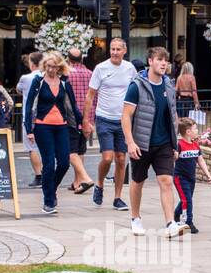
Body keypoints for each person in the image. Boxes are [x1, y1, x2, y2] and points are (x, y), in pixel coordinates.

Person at [120, 46, 185, 238]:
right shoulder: (137, 86)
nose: (163, 63)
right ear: (150, 61)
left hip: (164, 142)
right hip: (141, 142)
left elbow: (173, 115)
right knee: (138, 181)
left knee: (166, 180)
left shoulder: (169, 85)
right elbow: (125, 116)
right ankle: (135, 218)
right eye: (159, 59)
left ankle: (170, 223)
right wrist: (130, 142)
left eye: (165, 60)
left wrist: (175, 143)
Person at [24, 51, 84, 215]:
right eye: (48, 66)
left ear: (59, 67)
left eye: (54, 66)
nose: (51, 69)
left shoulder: (64, 82)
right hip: (43, 127)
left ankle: (51, 189)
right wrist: (29, 129)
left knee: (64, 163)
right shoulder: (39, 81)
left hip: (62, 126)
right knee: (49, 164)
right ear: (45, 66)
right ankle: (48, 201)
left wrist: (83, 122)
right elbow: (29, 106)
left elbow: (73, 104)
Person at [86, 37, 137, 210]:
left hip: (123, 120)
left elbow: (135, 92)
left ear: (124, 51)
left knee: (122, 159)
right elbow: (90, 95)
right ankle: (99, 184)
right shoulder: (101, 68)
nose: (115, 52)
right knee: (107, 158)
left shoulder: (130, 69)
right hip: (104, 118)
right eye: (112, 49)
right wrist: (86, 120)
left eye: (118, 49)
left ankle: (117, 197)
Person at [172, 117, 211, 233]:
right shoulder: (179, 144)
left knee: (186, 199)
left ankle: (176, 213)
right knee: (188, 200)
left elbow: (200, 160)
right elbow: (174, 157)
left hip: (191, 178)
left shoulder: (195, 145)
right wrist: (174, 154)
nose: (197, 131)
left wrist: (208, 174)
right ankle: (188, 222)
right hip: (180, 178)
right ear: (188, 132)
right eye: (195, 129)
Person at [65, 48, 95, 195]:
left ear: (68, 59)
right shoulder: (90, 74)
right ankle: (77, 182)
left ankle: (82, 180)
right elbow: (94, 99)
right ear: (82, 59)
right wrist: (90, 120)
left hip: (71, 118)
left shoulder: (66, 75)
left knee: (71, 150)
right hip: (86, 117)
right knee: (81, 149)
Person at [16, 51, 46, 189]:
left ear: (32, 64)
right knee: (45, 146)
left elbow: (19, 90)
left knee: (32, 147)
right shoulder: (47, 76)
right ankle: (47, 173)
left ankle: (39, 176)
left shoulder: (25, 78)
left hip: (29, 116)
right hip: (45, 116)